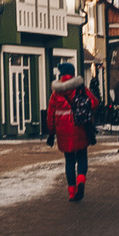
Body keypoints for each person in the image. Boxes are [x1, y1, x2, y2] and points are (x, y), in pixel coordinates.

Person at [46, 62, 95, 201]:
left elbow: (50, 114)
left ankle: (72, 192)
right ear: (73, 73)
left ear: (61, 74)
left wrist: (51, 132)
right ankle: (81, 180)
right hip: (80, 128)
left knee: (69, 160)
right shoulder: (80, 88)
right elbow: (94, 103)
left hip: (63, 131)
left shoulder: (55, 93)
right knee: (82, 157)